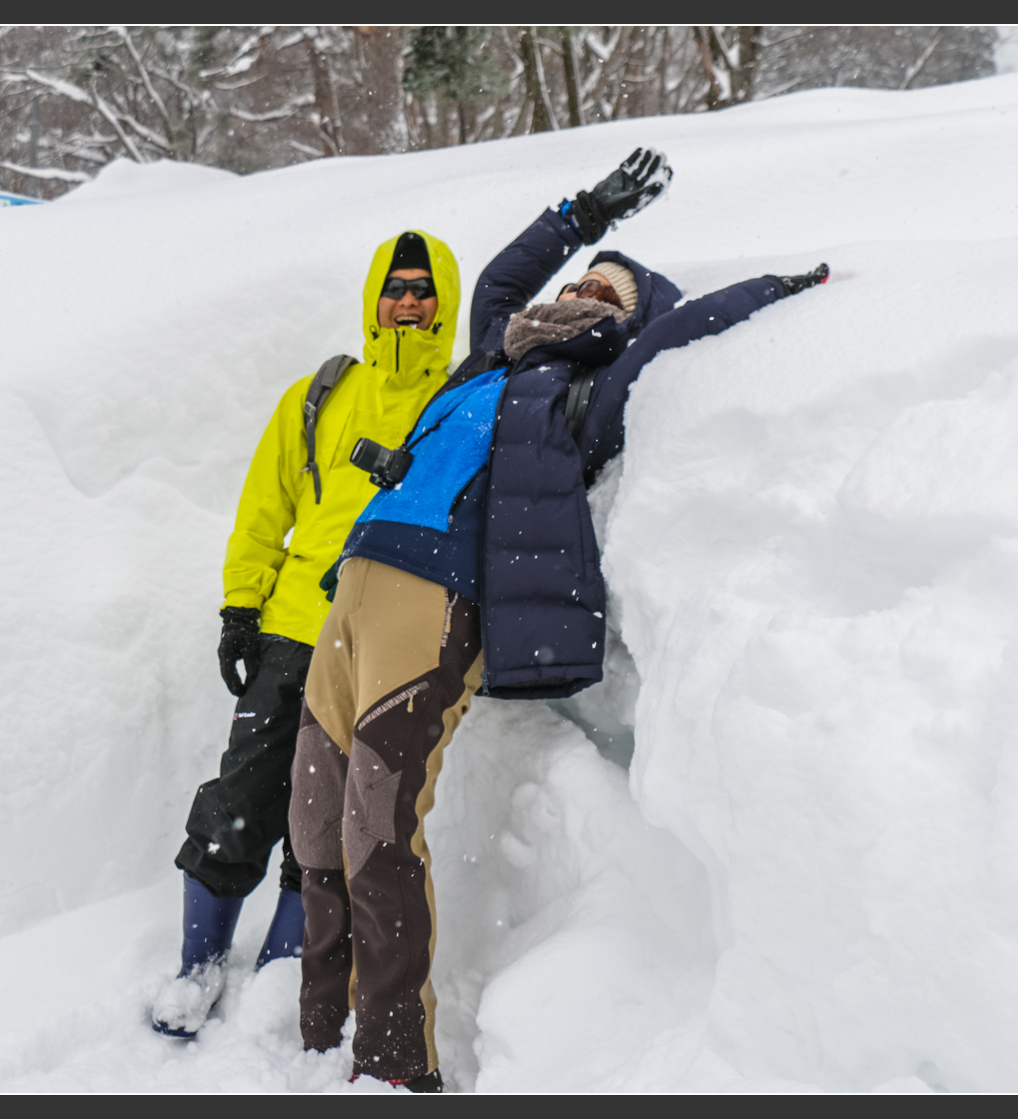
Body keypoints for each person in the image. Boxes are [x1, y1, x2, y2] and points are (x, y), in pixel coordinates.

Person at [287, 148, 829, 1090]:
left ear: (625, 315)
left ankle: (390, 1062)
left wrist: (771, 289)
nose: (584, 288)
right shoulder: (495, 346)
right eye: (583, 276)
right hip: (357, 579)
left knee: (375, 829)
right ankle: (317, 1024)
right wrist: (584, 213)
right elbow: (500, 276)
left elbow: (681, 334)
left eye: (607, 288)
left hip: (436, 599)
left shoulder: (587, 384)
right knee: (311, 822)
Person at [150, 230, 463, 1039]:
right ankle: (196, 968)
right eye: (395, 287)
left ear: (445, 301)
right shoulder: (320, 394)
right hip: (293, 633)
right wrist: (240, 608)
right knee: (241, 797)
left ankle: (281, 975)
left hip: (381, 638)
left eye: (423, 289)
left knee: (323, 817)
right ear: (373, 297)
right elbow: (265, 510)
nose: (408, 301)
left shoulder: (457, 397)